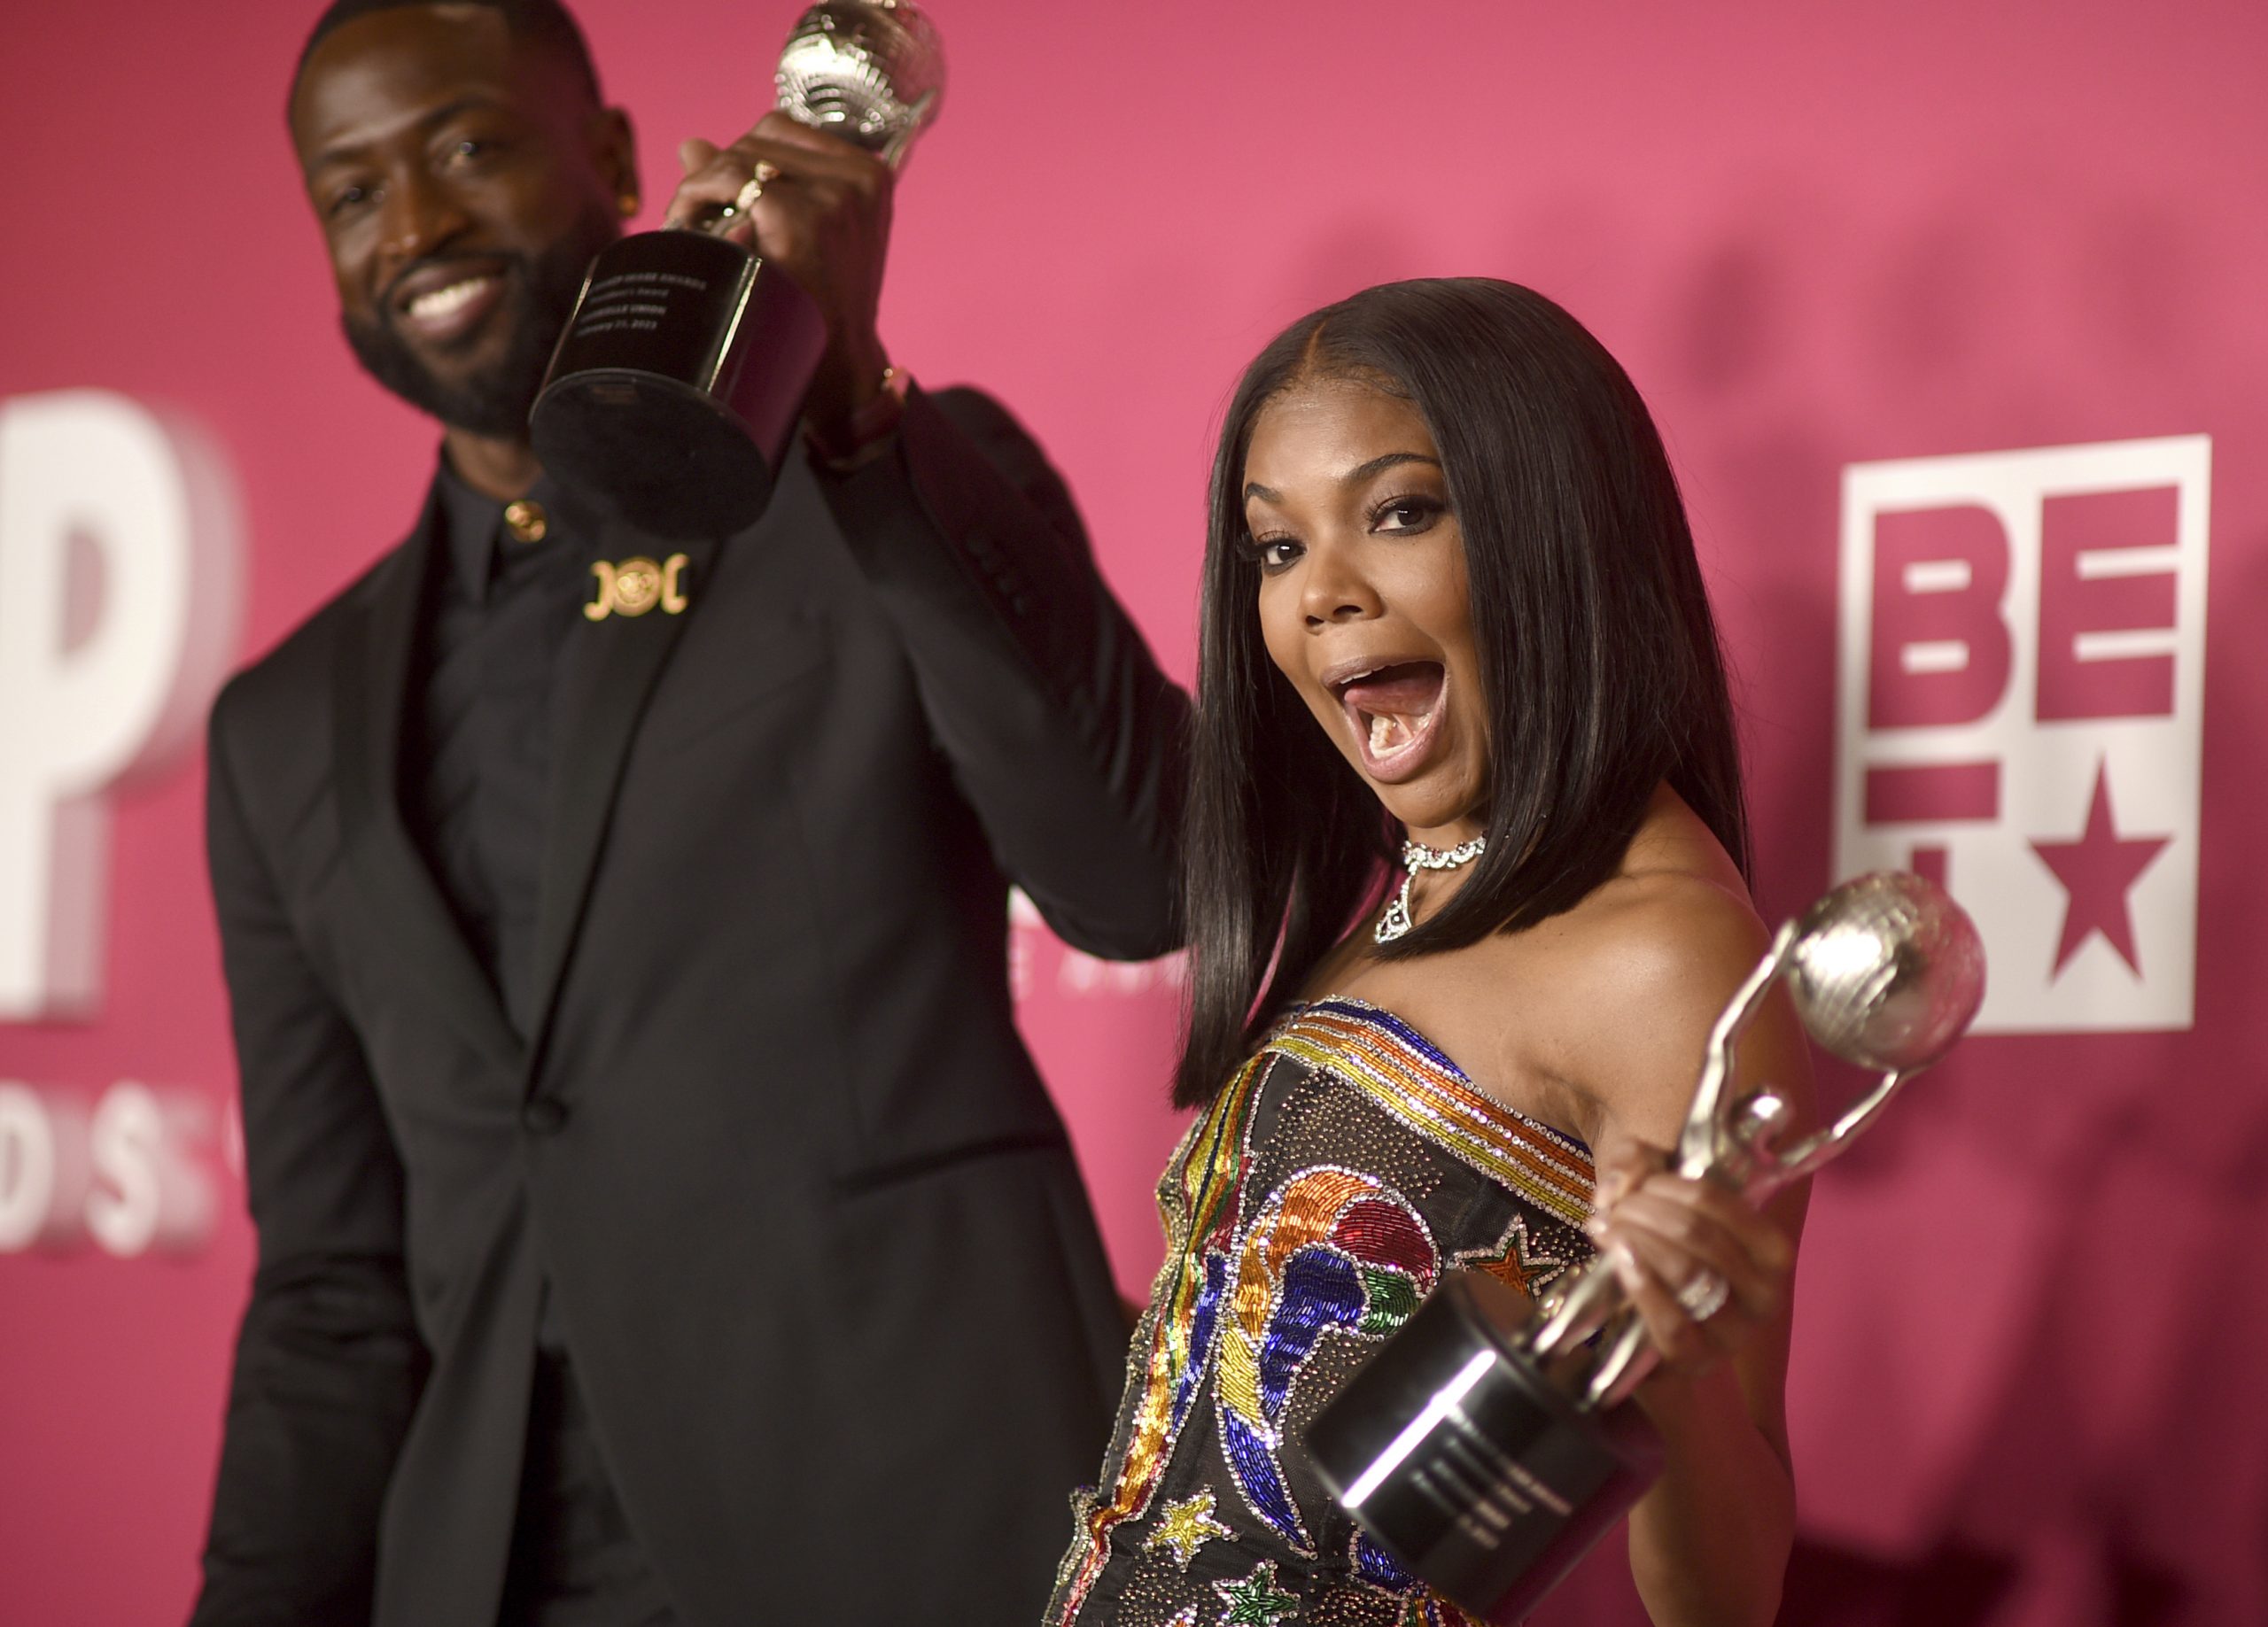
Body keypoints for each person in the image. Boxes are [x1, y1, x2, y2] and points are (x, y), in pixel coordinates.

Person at [192, 1, 1187, 1623]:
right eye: (353, 193)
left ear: (609, 158)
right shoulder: (281, 724)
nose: (417, 225)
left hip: (911, 1530)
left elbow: (1140, 881)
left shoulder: (876, 493)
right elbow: (333, 1287)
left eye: (464, 147)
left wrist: (856, 409)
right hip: (495, 1573)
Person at [1045, 279, 1811, 1627]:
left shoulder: (1663, 950)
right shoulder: (1417, 880)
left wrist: (1674, 1362)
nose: (1324, 595)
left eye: (1400, 513)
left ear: (1553, 531)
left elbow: (1730, 1593)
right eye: (1277, 548)